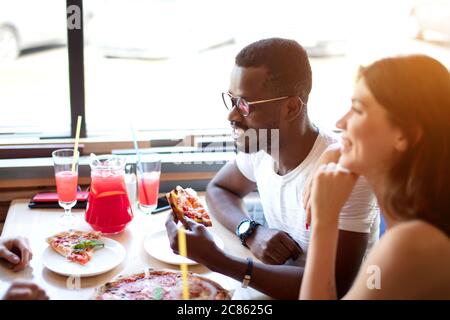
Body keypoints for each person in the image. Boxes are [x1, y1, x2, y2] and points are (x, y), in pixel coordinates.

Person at [165, 38, 379, 299]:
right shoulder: (263, 144)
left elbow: (336, 286)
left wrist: (217, 260)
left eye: (244, 104)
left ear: (290, 107)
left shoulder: (345, 172)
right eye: (231, 100)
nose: (232, 116)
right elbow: (219, 189)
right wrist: (251, 231)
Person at [300, 54, 450, 299]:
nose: (341, 122)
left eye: (357, 110)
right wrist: (336, 150)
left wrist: (325, 221)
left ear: (404, 136)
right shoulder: (415, 220)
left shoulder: (409, 243)